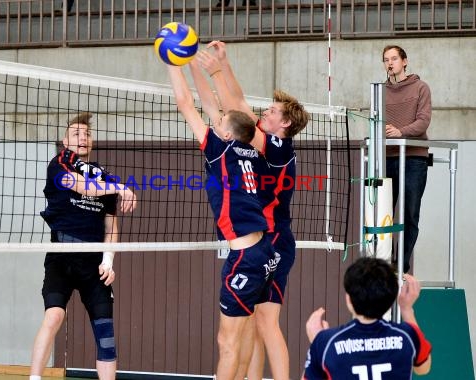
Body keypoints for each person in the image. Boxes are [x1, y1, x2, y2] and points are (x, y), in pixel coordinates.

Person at [196, 41, 309, 380]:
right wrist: (224, 64)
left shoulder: (277, 148)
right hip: (266, 239)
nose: (266, 113)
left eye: (273, 112)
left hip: (273, 239)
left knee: (266, 323)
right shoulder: (271, 141)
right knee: (255, 324)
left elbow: (235, 106)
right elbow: (241, 102)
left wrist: (215, 73)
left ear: (284, 124)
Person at [165, 63, 278, 380]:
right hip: (263, 252)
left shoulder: (219, 150)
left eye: (218, 126)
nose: (213, 127)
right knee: (243, 334)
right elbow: (213, 107)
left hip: (243, 257)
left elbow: (187, 104)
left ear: (227, 134)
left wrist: (172, 62)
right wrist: (193, 63)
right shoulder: (253, 153)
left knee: (227, 343)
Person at [30, 112, 137, 380]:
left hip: (93, 264)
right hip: (61, 257)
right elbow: (80, 186)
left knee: (106, 334)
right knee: (54, 316)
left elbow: (111, 227)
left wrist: (108, 260)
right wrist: (120, 188)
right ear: (65, 140)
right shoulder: (58, 166)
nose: (83, 138)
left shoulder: (107, 177)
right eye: (76, 133)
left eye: (87, 134)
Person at [303, 257, 432, 379]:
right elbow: (423, 368)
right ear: (391, 298)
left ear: (349, 299)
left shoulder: (326, 341)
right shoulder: (407, 335)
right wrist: (406, 309)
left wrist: (316, 342)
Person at [383, 45, 432, 273]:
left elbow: (423, 122)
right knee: (383, 215)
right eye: (386, 60)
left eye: (393, 58)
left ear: (404, 61)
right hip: (387, 157)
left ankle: (400, 264)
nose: (389, 63)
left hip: (413, 158)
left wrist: (400, 131)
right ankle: (382, 263)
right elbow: (377, 122)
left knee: (410, 214)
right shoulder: (380, 91)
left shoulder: (421, 88)